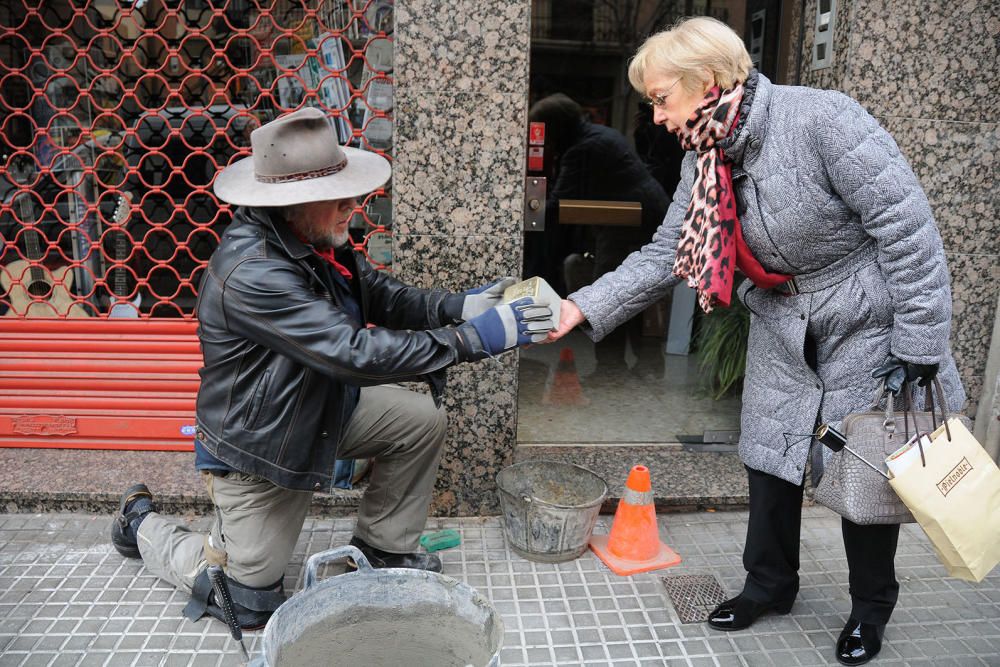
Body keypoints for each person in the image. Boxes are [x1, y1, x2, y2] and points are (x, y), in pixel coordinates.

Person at [546, 17, 965, 666]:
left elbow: (906, 228)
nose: (655, 116)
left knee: (865, 469)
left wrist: (918, 342)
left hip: (862, 319)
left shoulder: (823, 119)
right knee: (770, 459)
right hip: (777, 318)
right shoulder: (705, 155)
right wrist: (581, 304)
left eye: (661, 98)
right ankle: (768, 584)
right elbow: (666, 253)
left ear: (708, 82)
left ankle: (869, 608)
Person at [109, 107, 554, 629]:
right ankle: (140, 523)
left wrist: (459, 308)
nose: (353, 204)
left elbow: (380, 294)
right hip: (262, 446)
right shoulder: (254, 272)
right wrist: (471, 338)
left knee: (418, 420)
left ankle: (384, 549)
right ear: (292, 202)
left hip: (320, 408)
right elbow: (351, 352)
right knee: (245, 601)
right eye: (337, 195)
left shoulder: (313, 239)